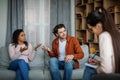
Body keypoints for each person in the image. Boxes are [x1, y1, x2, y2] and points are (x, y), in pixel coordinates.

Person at [83, 7, 120, 80]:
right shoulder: (117, 33)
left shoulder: (104, 36)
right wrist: (99, 62)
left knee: (89, 69)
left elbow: (106, 69)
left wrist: (97, 68)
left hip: (111, 76)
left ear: (98, 26)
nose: (92, 32)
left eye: (91, 29)